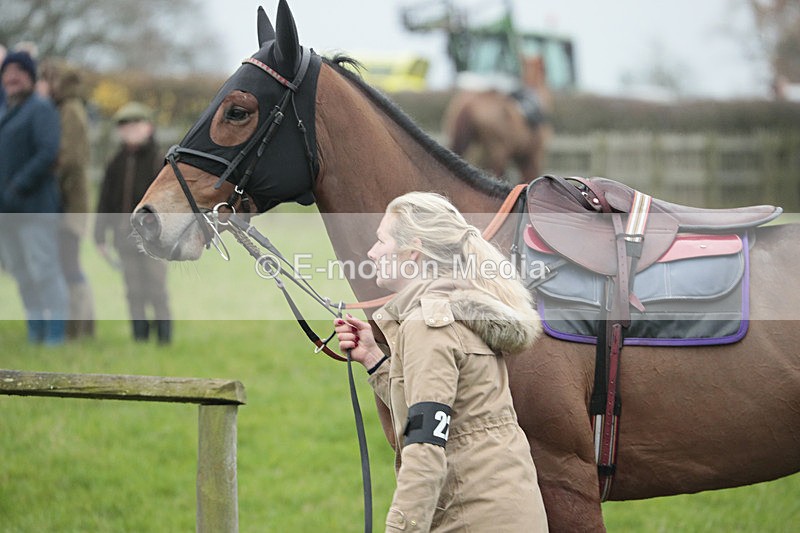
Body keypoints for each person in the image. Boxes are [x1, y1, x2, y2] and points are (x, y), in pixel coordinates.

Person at [334, 192, 549, 532]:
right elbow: (448, 404)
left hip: (472, 519)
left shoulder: (428, 325)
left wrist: (400, 529)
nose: (372, 253)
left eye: (381, 241)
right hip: (509, 513)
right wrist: (375, 360)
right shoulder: (459, 308)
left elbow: (425, 443)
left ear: (412, 250)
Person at [0, 50, 69, 344]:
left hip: (35, 207)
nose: (12, 77)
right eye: (7, 72)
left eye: (19, 71)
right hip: (8, 211)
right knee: (21, 272)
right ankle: (35, 330)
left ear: (30, 76)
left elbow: (47, 152)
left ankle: (55, 335)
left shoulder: (41, 109)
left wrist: (17, 186)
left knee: (44, 270)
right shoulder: (6, 112)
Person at [94, 102, 172, 344]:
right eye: (124, 127)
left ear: (148, 127)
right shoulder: (115, 163)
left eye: (135, 126)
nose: (130, 131)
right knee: (133, 289)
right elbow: (105, 202)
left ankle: (164, 338)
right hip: (124, 237)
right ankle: (140, 336)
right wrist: (99, 235)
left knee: (156, 287)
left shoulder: (160, 162)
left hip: (154, 239)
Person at [38, 59, 95, 339]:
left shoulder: (70, 110)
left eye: (45, 80)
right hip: (69, 200)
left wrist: (48, 184)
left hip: (72, 202)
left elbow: (70, 158)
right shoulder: (65, 108)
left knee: (69, 263)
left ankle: (80, 327)